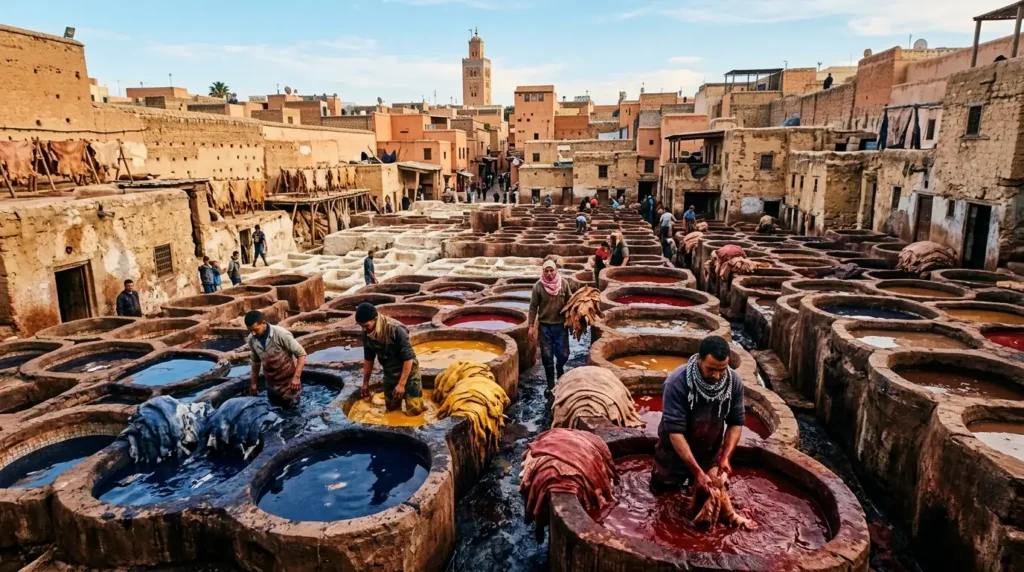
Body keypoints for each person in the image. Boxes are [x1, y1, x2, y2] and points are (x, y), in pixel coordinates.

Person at [650, 335, 744, 494]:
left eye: (722, 369)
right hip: (672, 460)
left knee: (708, 504)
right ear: (699, 359)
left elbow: (736, 422)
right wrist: (697, 472)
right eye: (711, 369)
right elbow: (675, 432)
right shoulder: (677, 382)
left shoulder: (733, 382)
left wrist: (725, 457)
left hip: (708, 457)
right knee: (664, 502)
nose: (717, 376)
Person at [356, 302, 424, 415]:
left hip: (409, 373)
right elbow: (368, 359)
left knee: (415, 409)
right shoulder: (367, 334)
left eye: (366, 326)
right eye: (361, 326)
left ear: (375, 319)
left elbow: (408, 358)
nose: (364, 329)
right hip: (389, 373)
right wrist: (365, 383)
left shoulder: (396, 330)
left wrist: (402, 384)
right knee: (391, 410)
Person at [245, 310, 307, 409]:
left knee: (293, 412)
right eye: (250, 331)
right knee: (274, 410)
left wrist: (296, 377)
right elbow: (255, 361)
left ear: (264, 323)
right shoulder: (251, 339)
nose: (253, 333)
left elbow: (301, 354)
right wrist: (253, 383)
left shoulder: (281, 334)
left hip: (288, 383)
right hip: (271, 384)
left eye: (256, 330)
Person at [528, 260, 575, 389]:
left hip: (561, 326)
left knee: (563, 355)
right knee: (547, 356)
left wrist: (573, 321)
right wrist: (531, 326)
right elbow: (533, 307)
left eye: (551, 270)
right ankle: (550, 386)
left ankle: (559, 368)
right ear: (543, 272)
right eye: (546, 271)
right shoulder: (538, 286)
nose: (549, 273)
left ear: (556, 270)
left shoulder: (563, 284)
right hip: (545, 327)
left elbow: (570, 303)